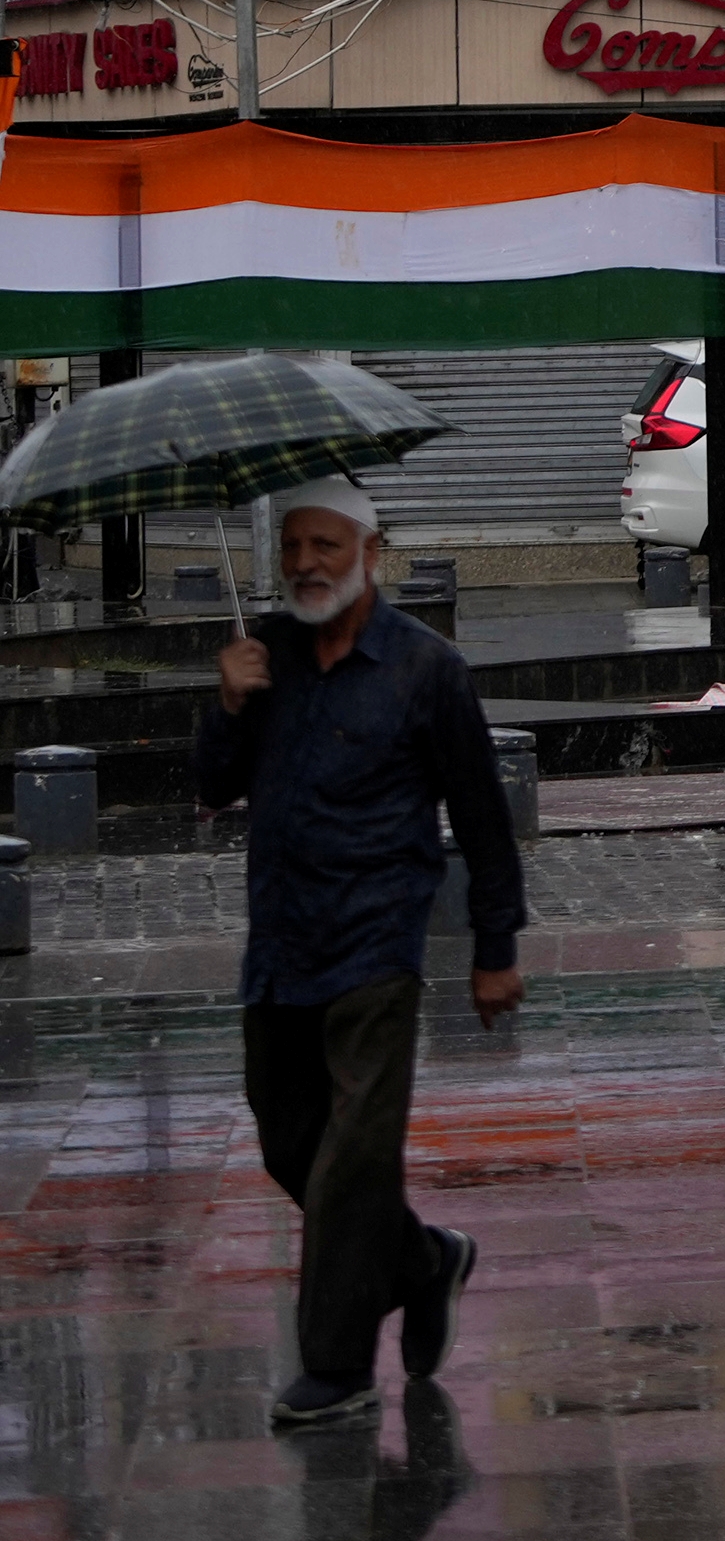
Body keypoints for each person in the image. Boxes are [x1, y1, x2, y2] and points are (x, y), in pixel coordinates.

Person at [197, 477, 523, 1432]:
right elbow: (214, 786)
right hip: (280, 942)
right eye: (294, 545)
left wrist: (494, 947)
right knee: (286, 1138)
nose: (306, 563)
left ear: (370, 552)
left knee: (351, 1159)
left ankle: (336, 1368)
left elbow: (482, 814)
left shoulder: (427, 668)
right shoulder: (265, 655)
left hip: (377, 944)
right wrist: (224, 701)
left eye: (327, 545)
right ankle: (425, 1263)